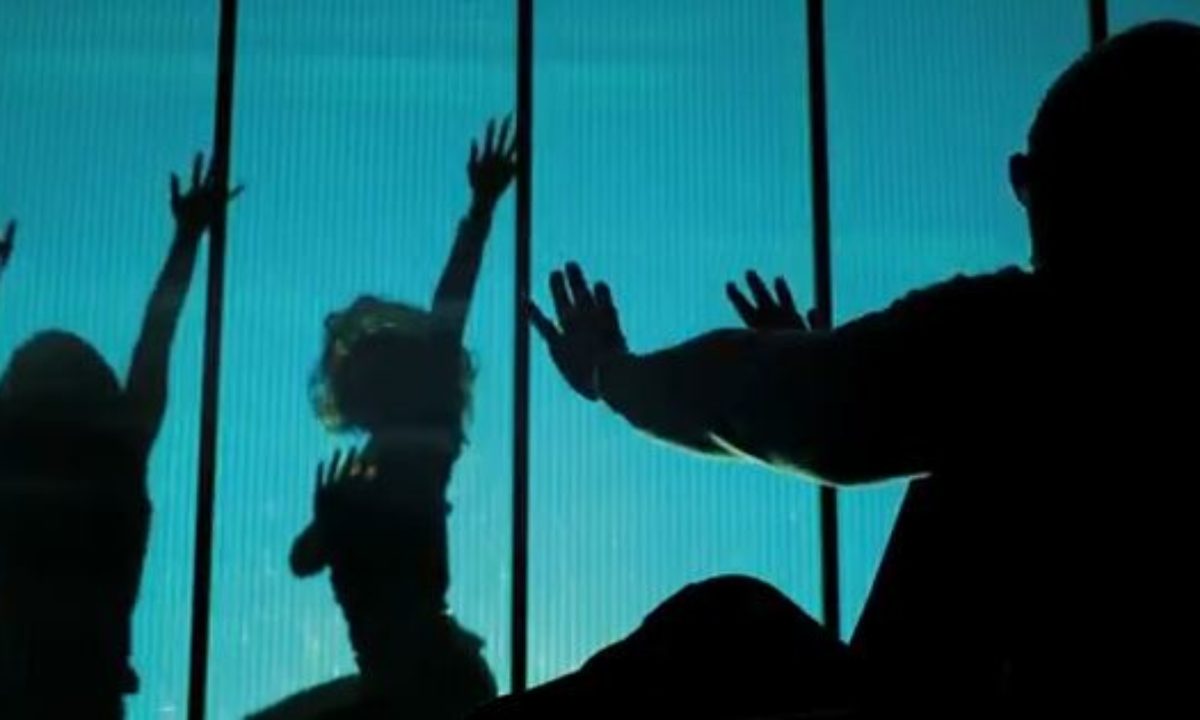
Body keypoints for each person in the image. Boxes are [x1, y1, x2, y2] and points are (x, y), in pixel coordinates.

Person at [478, 20, 1199, 718]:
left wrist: (610, 372)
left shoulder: (1025, 339)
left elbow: (781, 404)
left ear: (1036, 179)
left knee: (722, 632)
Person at [252, 117, 517, 720]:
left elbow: (449, 313)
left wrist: (480, 210)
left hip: (426, 682)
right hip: (404, 683)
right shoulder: (365, 477)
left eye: (376, 376)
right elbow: (303, 560)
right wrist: (330, 516)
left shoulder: (423, 443)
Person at [0, 155, 236, 718]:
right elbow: (157, 335)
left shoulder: (19, 458)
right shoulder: (119, 448)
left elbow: (156, 336)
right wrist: (188, 238)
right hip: (88, 690)